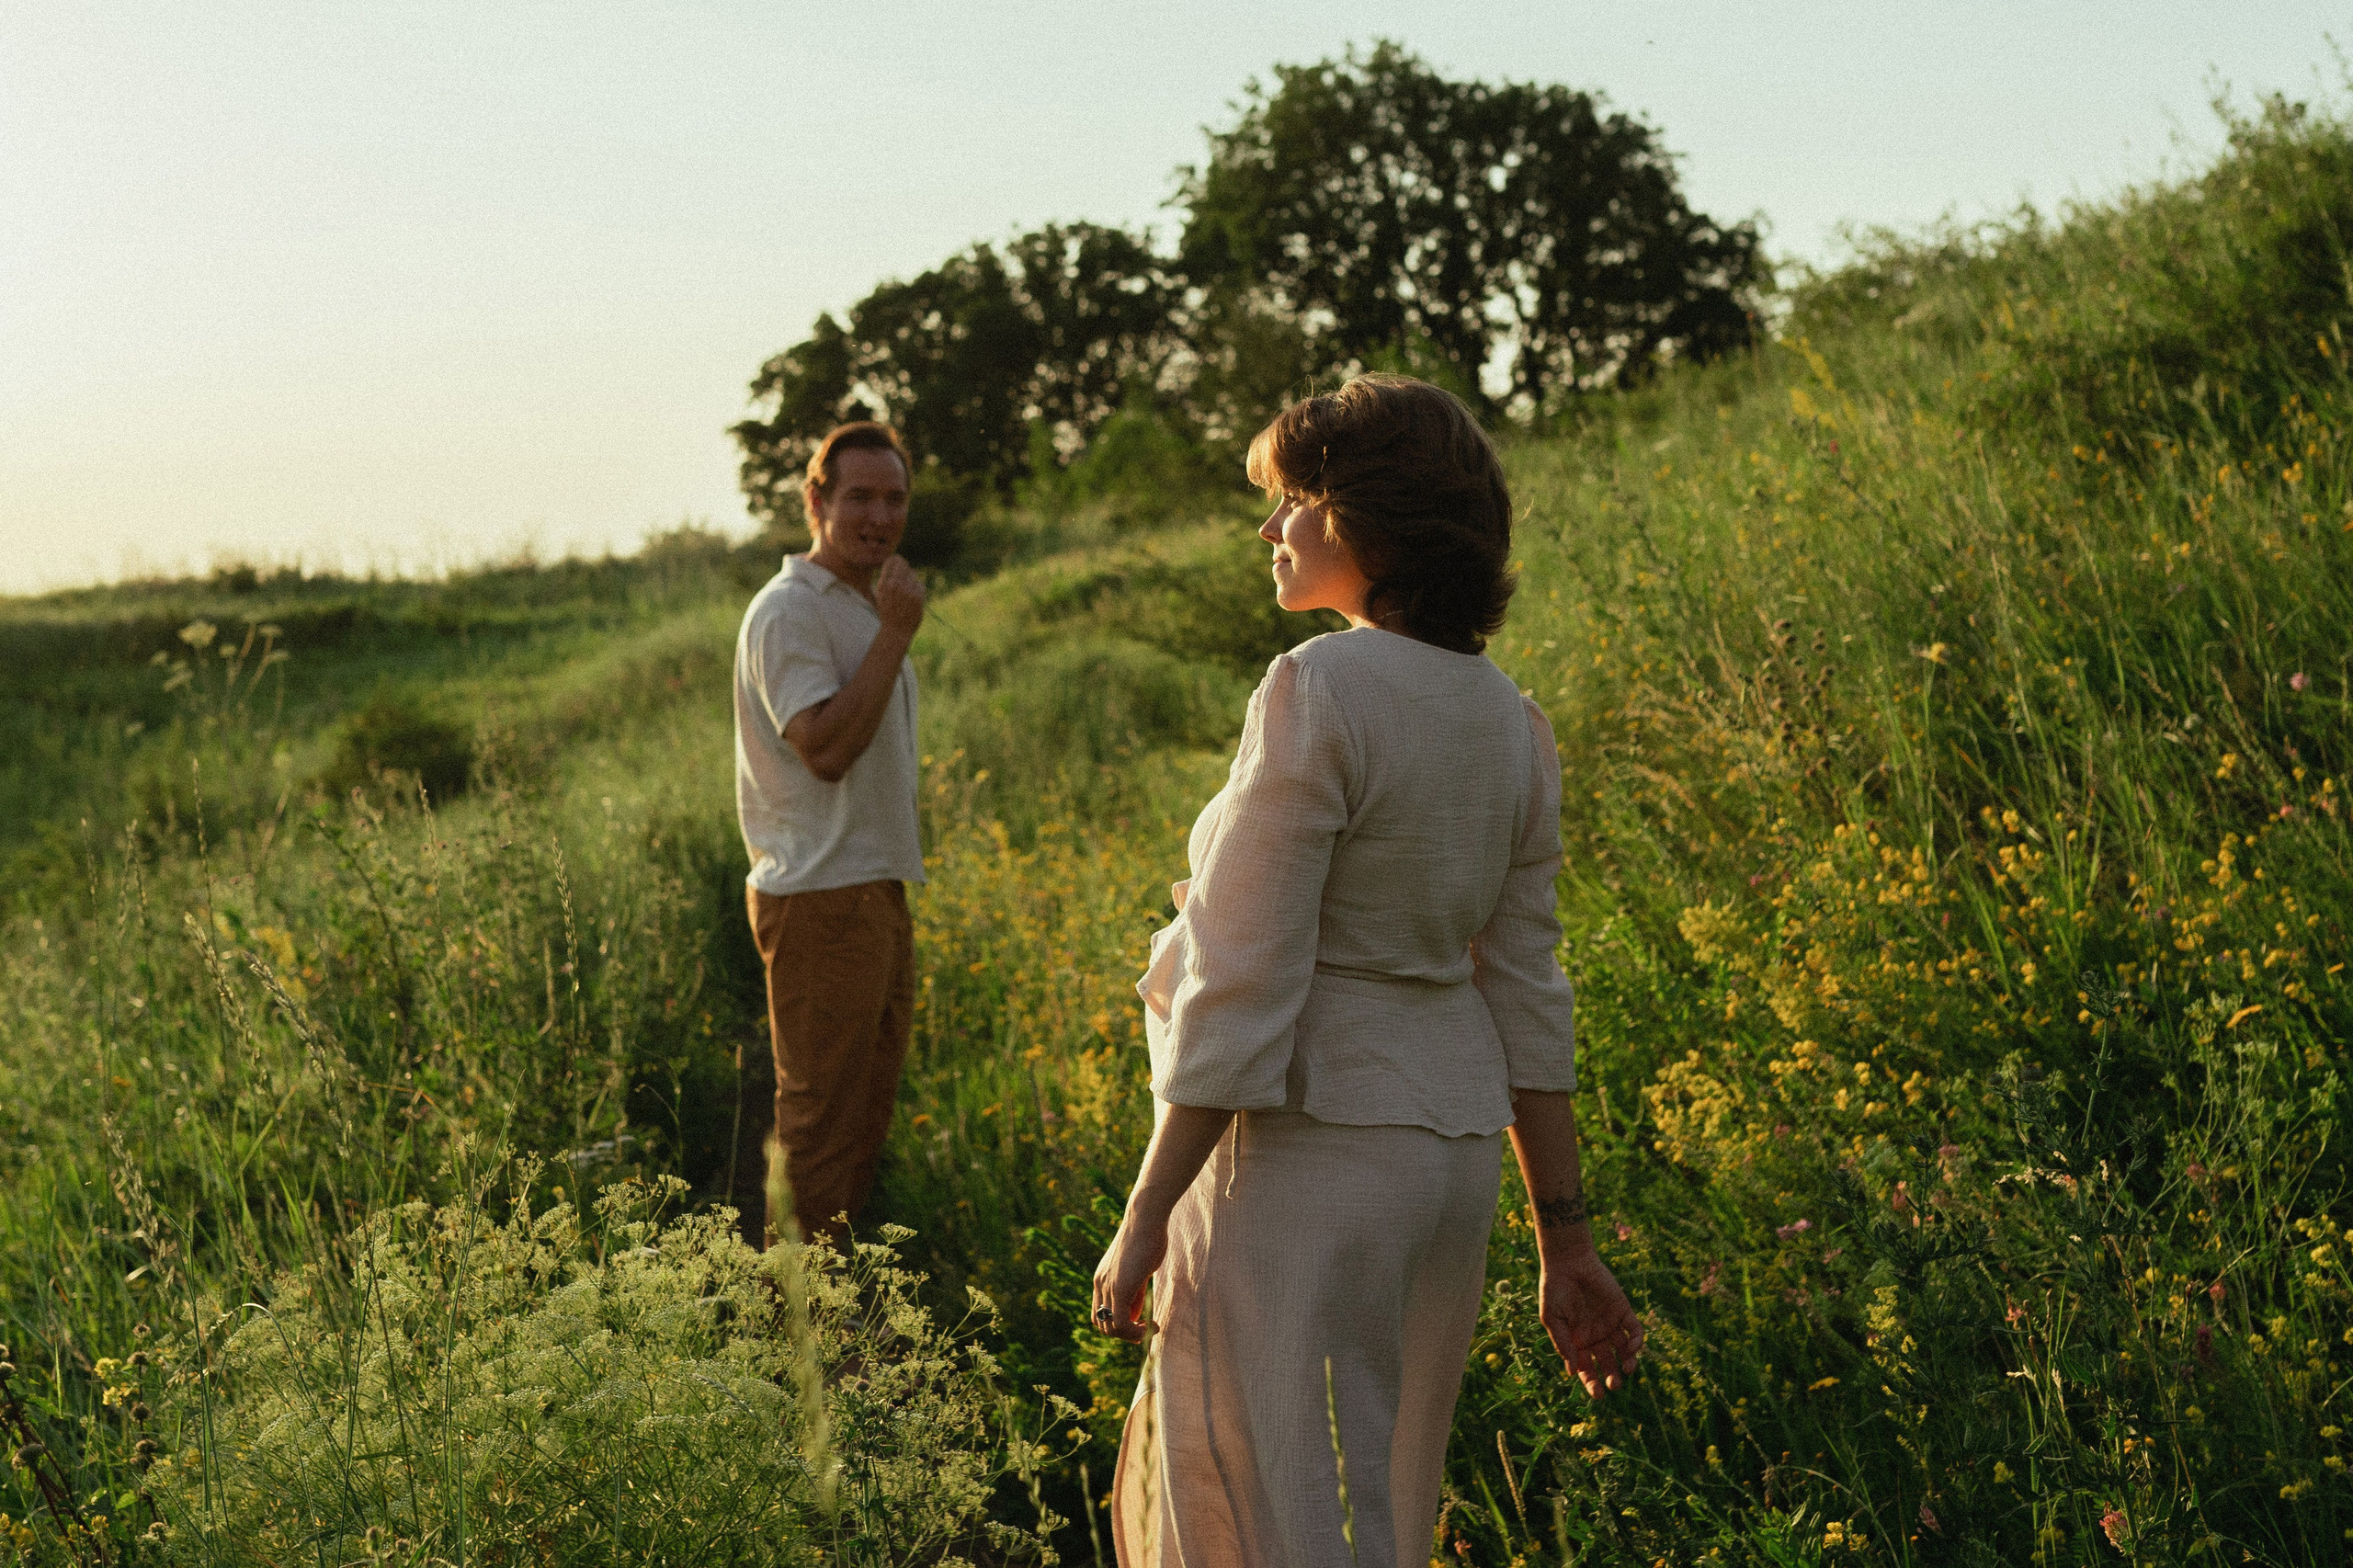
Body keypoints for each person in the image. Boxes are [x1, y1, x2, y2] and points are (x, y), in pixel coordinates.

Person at [1091, 376, 1643, 1567]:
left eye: (1290, 499)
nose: (1270, 527)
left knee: (1271, 1513)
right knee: (1374, 1512)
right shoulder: (1512, 722)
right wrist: (1566, 1240)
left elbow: (1242, 978)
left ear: (1360, 518)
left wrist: (1143, 1216)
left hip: (1310, 1153)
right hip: (1443, 1175)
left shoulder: (1318, 687)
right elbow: (1527, 994)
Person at [731, 420, 926, 1248]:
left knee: (859, 1123)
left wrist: (886, 626)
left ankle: (831, 1329)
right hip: (817, 896)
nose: (878, 517)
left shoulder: (862, 601)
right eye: (859, 497)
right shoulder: (789, 611)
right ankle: (793, 1343)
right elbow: (826, 749)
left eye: (894, 499)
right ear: (815, 501)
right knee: (818, 1130)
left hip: (869, 886)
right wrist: (897, 633)